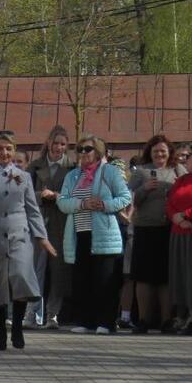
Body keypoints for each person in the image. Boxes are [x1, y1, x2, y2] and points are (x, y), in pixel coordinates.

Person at [0, 132, 55, 350]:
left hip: (20, 236)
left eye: (8, 148)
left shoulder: (23, 177)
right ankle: (0, 331)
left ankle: (17, 327)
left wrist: (42, 237)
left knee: (20, 278)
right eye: (0, 148)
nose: (4, 153)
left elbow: (32, 210)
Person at [57, 136, 131, 334]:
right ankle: (84, 320)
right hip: (80, 234)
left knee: (104, 280)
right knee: (82, 279)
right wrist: (81, 204)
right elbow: (62, 202)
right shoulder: (72, 176)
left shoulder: (109, 172)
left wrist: (105, 205)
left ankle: (105, 322)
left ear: (98, 151)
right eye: (79, 149)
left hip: (104, 234)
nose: (82, 153)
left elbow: (125, 197)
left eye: (87, 149)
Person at [127, 135, 185, 333]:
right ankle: (143, 319)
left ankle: (166, 320)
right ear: (149, 153)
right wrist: (143, 189)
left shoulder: (177, 171)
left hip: (168, 229)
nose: (159, 154)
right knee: (143, 277)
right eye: (155, 151)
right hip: (145, 229)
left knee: (164, 277)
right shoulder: (141, 172)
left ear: (169, 153)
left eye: (163, 151)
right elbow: (129, 198)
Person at [25, 126, 73, 328]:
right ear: (48, 143)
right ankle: (31, 313)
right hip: (38, 221)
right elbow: (24, 193)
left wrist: (57, 196)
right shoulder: (35, 166)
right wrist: (40, 195)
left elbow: (75, 196)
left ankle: (53, 314)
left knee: (58, 270)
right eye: (56, 143)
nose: (59, 148)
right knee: (36, 269)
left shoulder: (72, 168)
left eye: (63, 144)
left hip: (61, 223)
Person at [166, 170, 192, 335]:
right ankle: (181, 316)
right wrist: (176, 218)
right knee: (180, 274)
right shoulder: (181, 180)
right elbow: (169, 203)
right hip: (178, 231)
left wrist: (185, 215)